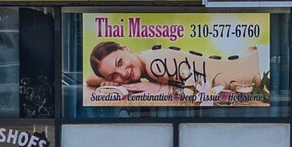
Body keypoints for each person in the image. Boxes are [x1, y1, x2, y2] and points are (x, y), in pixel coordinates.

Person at [86, 40, 262, 96]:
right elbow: (89, 78)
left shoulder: (156, 66)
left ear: (125, 48)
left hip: (260, 69)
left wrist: (162, 89)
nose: (124, 73)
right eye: (114, 75)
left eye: (120, 62)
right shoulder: (143, 57)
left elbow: (203, 90)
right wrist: (111, 82)